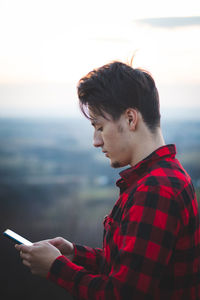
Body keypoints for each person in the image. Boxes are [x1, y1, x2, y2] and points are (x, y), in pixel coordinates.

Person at [15, 61, 200, 299]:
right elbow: (135, 270)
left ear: (130, 119)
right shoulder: (166, 176)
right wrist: (74, 255)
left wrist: (56, 268)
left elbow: (122, 294)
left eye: (100, 127)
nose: (96, 141)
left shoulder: (155, 190)